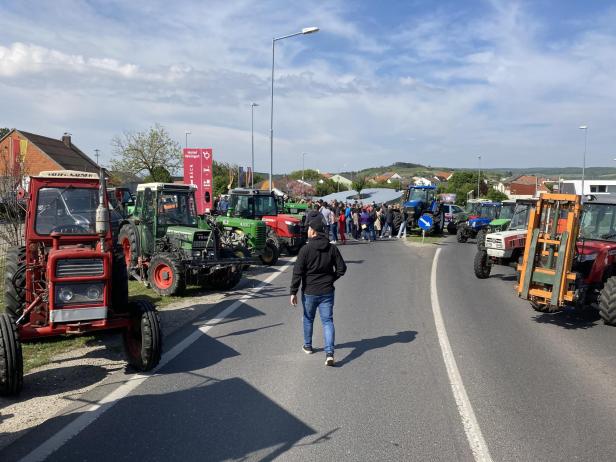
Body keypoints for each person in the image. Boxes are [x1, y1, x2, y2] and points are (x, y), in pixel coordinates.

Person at [290, 219, 347, 366]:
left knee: (308, 318)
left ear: (314, 231)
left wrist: (293, 291)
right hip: (327, 291)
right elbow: (342, 269)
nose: (307, 231)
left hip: (309, 291)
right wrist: (331, 279)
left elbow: (297, 272)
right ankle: (329, 353)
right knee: (327, 321)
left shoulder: (305, 249)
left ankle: (308, 346)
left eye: (309, 229)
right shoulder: (332, 248)